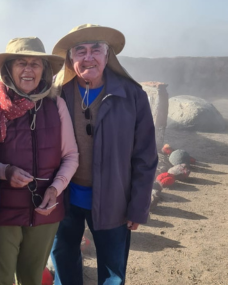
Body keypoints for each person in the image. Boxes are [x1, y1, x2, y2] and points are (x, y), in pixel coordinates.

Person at [50, 24, 158, 285]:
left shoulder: (131, 96)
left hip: (114, 200)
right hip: (64, 198)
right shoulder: (56, 95)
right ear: (70, 58)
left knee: (112, 271)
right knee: (63, 260)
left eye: (96, 49)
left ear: (107, 55)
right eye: (80, 51)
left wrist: (138, 206)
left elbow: (145, 155)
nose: (89, 57)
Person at [0, 37, 79, 285]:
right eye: (21, 63)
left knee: (32, 278)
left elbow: (71, 156)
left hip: (45, 210)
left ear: (44, 70)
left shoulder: (56, 104)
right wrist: (5, 172)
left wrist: (55, 189)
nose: (28, 69)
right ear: (8, 69)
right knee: (0, 279)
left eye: (36, 63)